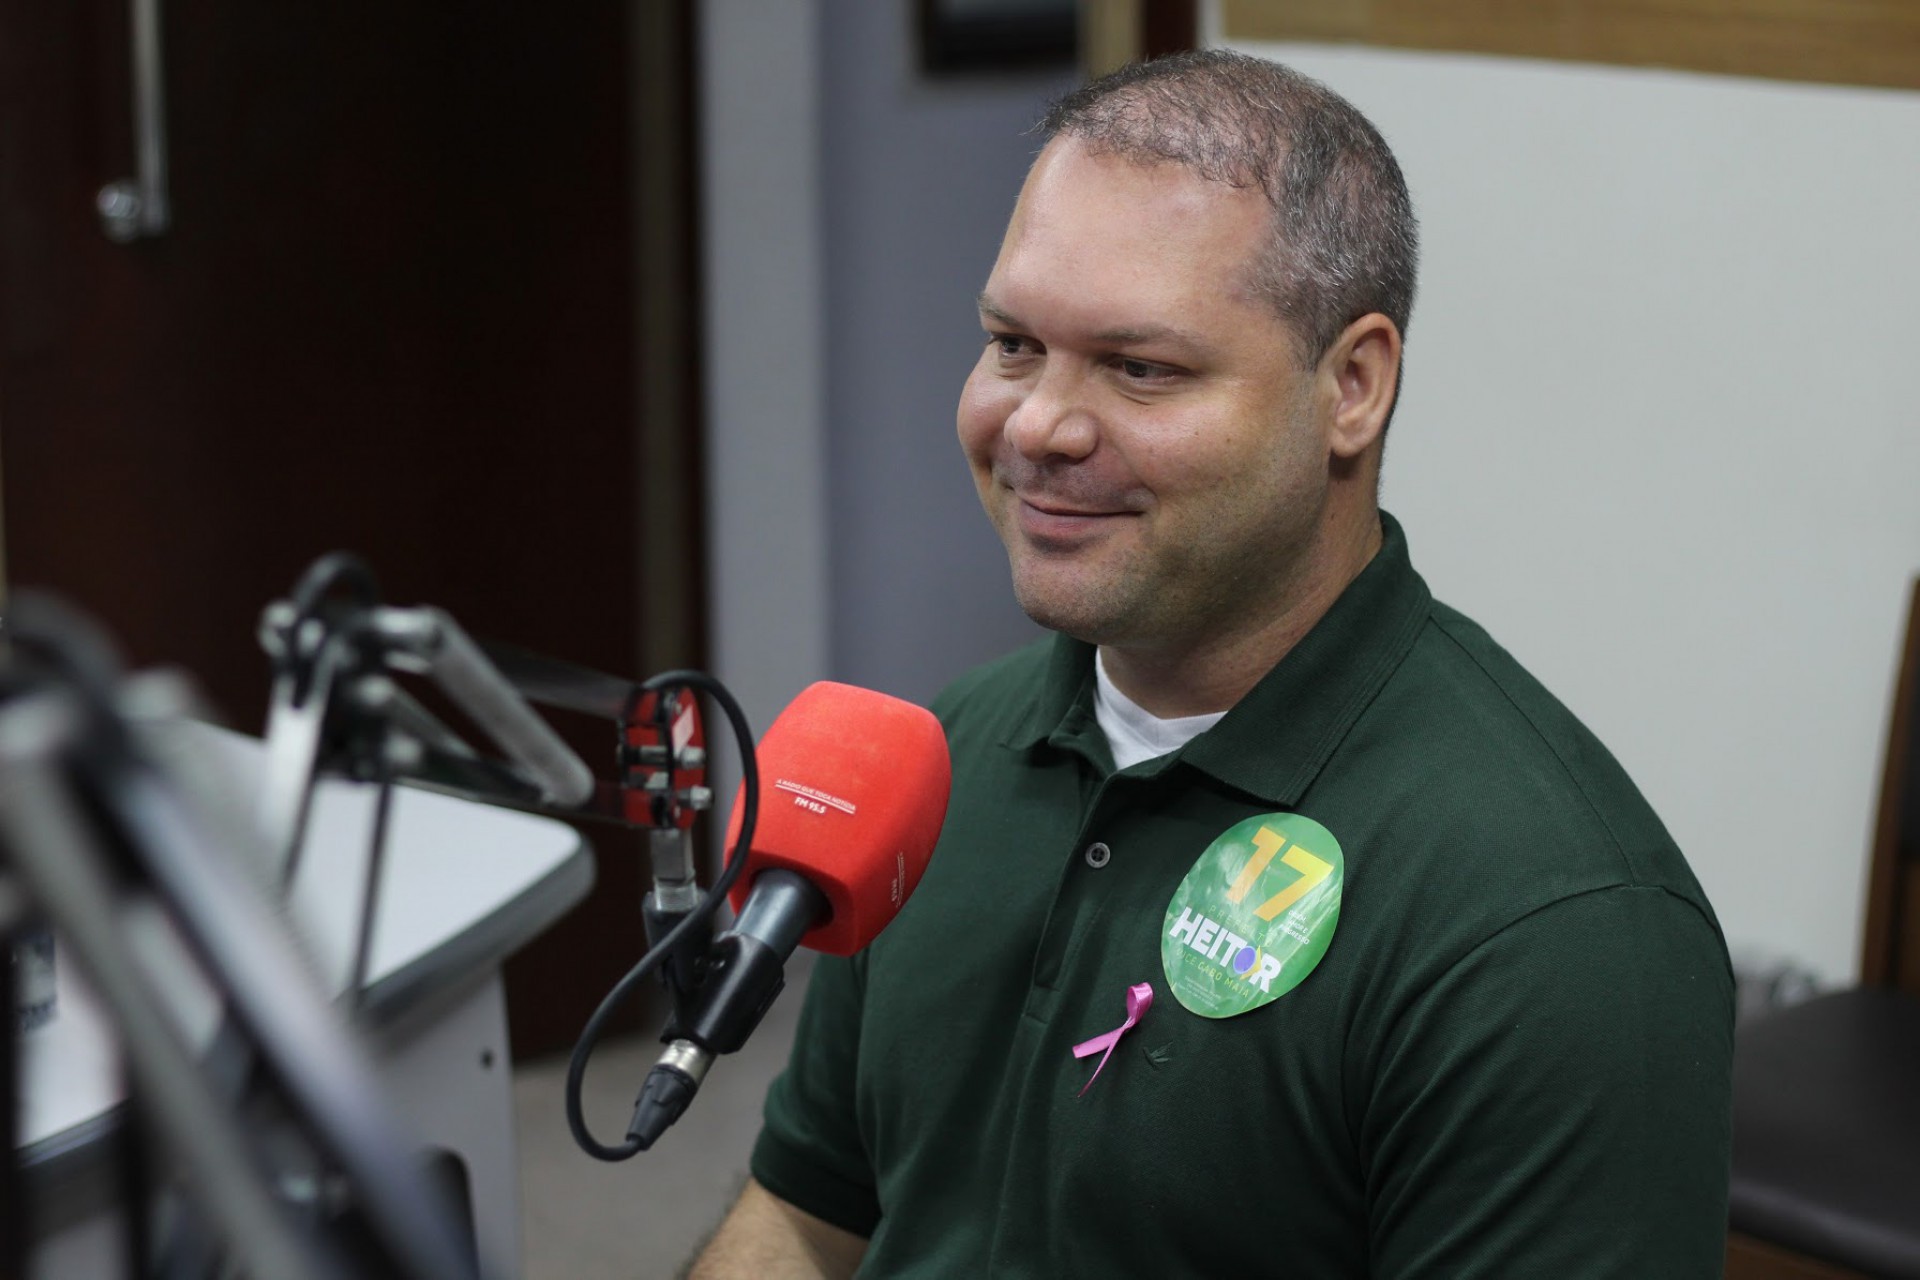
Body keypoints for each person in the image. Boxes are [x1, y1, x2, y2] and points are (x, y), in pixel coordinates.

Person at [690, 49, 1732, 1278]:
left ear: (1353, 385)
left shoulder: (1552, 929)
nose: (1037, 426)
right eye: (1014, 344)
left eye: (1142, 368)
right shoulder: (942, 759)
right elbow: (805, 1214)